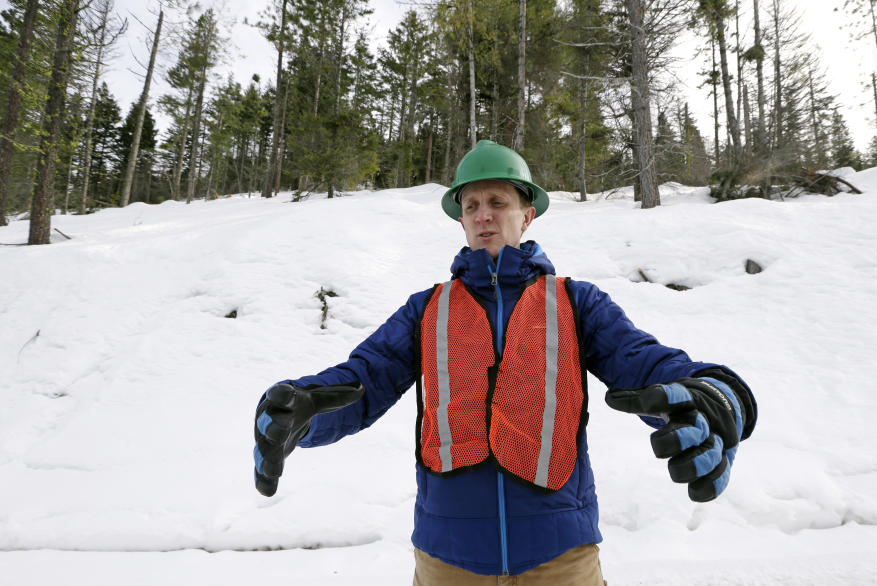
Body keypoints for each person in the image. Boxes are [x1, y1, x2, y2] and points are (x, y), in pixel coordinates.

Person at [253, 140, 758, 584]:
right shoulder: (426, 309)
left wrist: (713, 392)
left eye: (498, 201)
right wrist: (302, 411)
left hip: (561, 560)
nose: (483, 215)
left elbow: (646, 364)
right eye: (471, 205)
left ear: (527, 213)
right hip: (447, 561)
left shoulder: (576, 303)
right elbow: (360, 382)